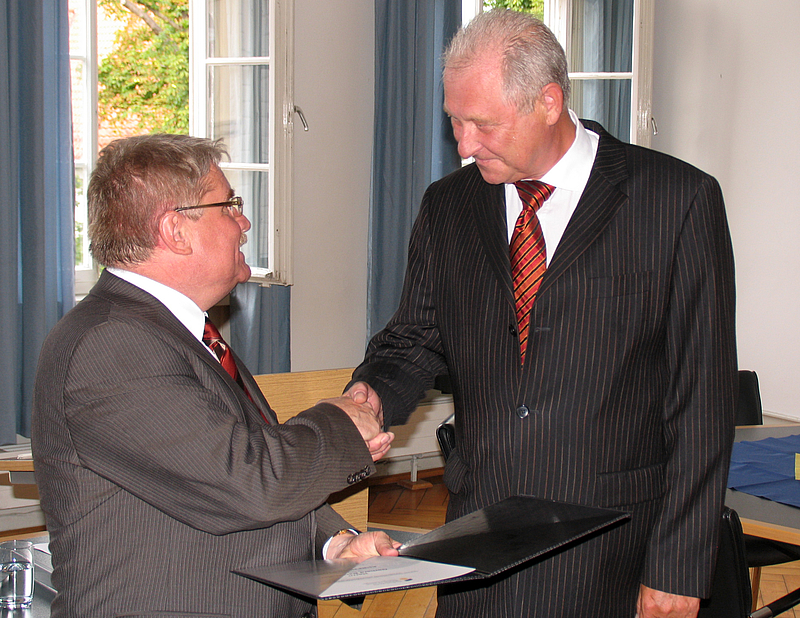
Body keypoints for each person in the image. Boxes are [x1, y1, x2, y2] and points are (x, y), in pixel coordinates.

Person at [347, 9, 736, 618]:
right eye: (454, 122)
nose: (463, 145)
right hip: (476, 540)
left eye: (482, 124)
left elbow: (702, 399)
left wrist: (677, 568)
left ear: (548, 102)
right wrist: (371, 392)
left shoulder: (675, 200)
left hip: (611, 545)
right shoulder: (448, 205)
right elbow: (415, 337)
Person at [31, 134, 398, 618]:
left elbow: (220, 481)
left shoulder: (178, 332)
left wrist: (334, 544)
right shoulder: (110, 345)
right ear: (175, 230)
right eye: (229, 206)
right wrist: (340, 419)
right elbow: (248, 482)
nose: (244, 223)